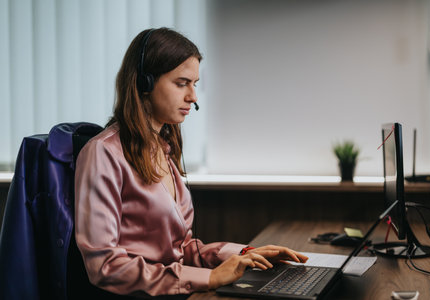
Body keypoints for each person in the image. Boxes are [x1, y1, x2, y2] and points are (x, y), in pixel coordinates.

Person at [74, 27, 308, 299]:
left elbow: (182, 249)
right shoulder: (103, 153)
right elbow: (104, 266)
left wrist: (245, 253)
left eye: (194, 84)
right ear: (144, 84)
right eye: (181, 83)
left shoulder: (162, 149)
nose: (193, 97)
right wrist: (209, 277)